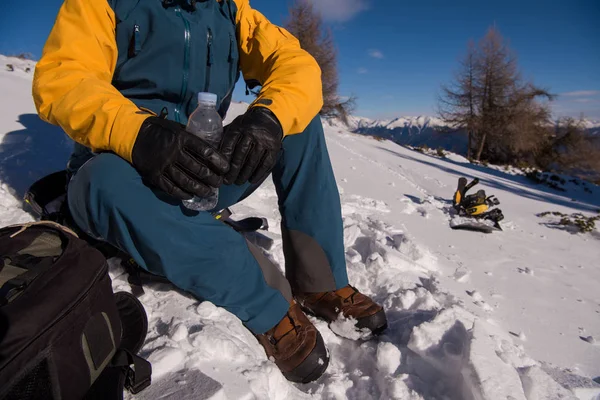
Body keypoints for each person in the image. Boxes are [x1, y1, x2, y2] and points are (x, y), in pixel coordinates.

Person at [32, 0, 386, 383]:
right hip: (124, 168)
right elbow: (62, 80)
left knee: (296, 123)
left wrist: (267, 118)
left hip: (197, 167)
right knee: (101, 181)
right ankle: (268, 304)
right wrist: (140, 135)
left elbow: (297, 66)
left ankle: (321, 283)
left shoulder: (231, 11)